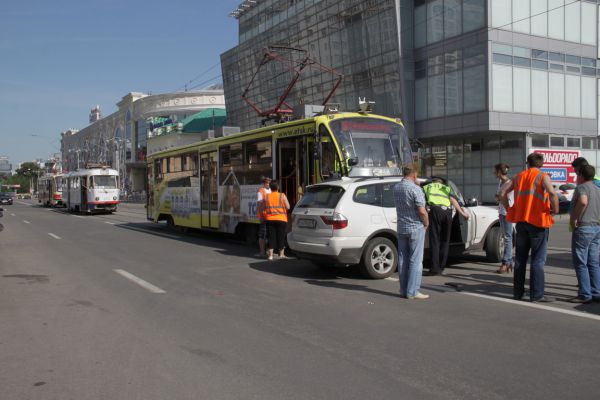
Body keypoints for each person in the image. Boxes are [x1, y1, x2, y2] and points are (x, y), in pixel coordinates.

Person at [500, 152, 559, 302]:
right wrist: (555, 209)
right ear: (542, 164)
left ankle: (518, 293)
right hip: (538, 222)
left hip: (521, 222)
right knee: (538, 260)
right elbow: (551, 192)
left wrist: (509, 209)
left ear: (528, 163)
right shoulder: (542, 176)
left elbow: (502, 192)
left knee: (520, 259)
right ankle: (537, 294)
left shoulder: (519, 176)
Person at [393, 165, 429, 299]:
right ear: (414, 174)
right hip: (415, 227)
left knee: (403, 259)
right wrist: (426, 222)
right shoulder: (416, 189)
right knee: (416, 260)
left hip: (402, 227)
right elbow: (421, 210)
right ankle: (412, 291)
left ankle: (403, 289)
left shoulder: (396, 187)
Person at [422, 177, 470, 276]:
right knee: (445, 240)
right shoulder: (446, 188)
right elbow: (453, 200)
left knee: (435, 240)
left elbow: (421, 198)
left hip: (435, 211)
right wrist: (462, 213)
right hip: (447, 212)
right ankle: (441, 266)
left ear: (433, 181)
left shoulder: (428, 186)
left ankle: (434, 269)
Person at [569, 164, 600, 304]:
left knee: (581, 262)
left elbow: (582, 201)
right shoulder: (597, 188)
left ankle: (584, 293)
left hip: (584, 227)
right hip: (596, 227)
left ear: (580, 175)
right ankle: (596, 292)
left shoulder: (582, 187)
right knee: (593, 262)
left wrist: (575, 217)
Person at [263, 180, 290, 261]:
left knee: (271, 237)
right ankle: (281, 254)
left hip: (270, 219)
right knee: (281, 237)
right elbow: (288, 207)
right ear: (278, 187)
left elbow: (264, 208)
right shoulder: (282, 195)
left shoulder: (267, 196)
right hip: (281, 219)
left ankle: (270, 256)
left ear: (270, 188)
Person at [494, 163, 514, 274]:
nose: (494, 173)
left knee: (507, 238)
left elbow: (501, 195)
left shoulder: (509, 182)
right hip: (502, 212)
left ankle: (506, 262)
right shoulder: (501, 182)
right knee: (506, 236)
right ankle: (508, 261)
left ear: (499, 172)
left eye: (495, 171)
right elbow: (498, 196)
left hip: (507, 212)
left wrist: (500, 198)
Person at [255, 177, 271, 258]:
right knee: (262, 234)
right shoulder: (260, 191)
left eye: (269, 183)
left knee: (268, 234)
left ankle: (267, 252)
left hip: (270, 215)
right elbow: (259, 204)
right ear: (263, 183)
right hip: (264, 215)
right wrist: (260, 215)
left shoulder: (271, 190)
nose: (268, 184)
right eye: (266, 183)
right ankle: (262, 252)